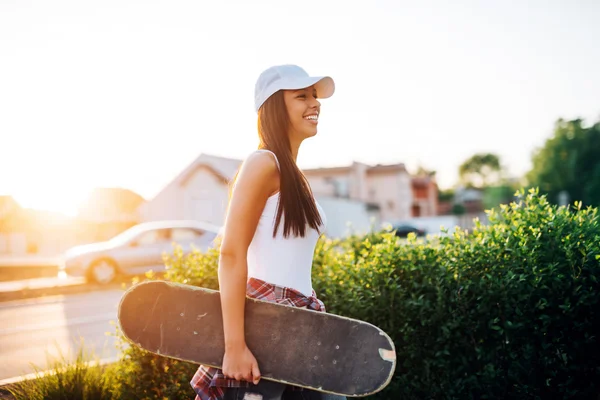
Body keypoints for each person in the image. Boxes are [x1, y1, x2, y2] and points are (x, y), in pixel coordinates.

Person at [190, 64, 345, 400]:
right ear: (275, 106)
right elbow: (231, 254)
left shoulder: (294, 174)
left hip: (300, 327)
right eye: (302, 96)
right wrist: (234, 347)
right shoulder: (262, 163)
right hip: (266, 331)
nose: (314, 103)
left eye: (315, 96)